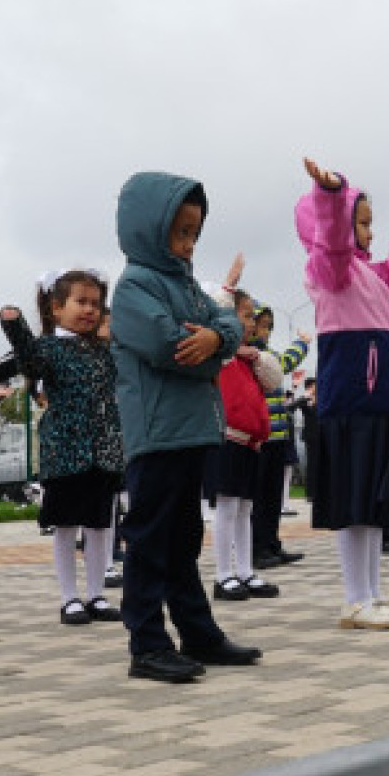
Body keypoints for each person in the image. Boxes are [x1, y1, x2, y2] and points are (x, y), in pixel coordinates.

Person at [111, 170, 259, 679]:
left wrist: (217, 341)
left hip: (192, 428)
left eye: (194, 233)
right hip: (156, 433)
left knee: (183, 540)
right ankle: (147, 643)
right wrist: (213, 349)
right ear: (148, 228)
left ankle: (197, 632)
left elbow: (230, 322)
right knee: (152, 540)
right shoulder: (133, 288)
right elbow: (168, 345)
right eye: (179, 231)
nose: (187, 243)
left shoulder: (187, 285)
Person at [295, 158, 389, 629]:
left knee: (372, 501)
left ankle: (372, 592)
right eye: (364, 223)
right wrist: (332, 196)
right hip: (351, 398)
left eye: (372, 223)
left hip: (378, 400)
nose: (370, 232)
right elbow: (331, 241)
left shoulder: (366, 273)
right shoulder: (330, 270)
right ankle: (355, 598)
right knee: (354, 501)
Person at [0, 268, 126, 627]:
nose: (89, 310)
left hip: (104, 450)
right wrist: (15, 326)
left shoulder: (106, 351)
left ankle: (97, 594)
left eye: (95, 304)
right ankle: (69, 597)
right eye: (80, 302)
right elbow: (29, 361)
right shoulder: (48, 348)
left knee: (101, 526)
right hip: (66, 452)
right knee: (66, 525)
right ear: (56, 308)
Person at [203, 281, 285, 601]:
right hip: (226, 437)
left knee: (244, 507)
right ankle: (224, 574)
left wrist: (257, 358)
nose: (252, 323)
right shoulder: (220, 355)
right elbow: (216, 309)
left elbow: (275, 379)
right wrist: (227, 289)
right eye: (246, 315)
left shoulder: (252, 358)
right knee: (226, 506)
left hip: (252, 441)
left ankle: (246, 570)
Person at [247, 298, 309, 570]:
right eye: (261, 325)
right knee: (260, 498)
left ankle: (271, 543)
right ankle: (258, 548)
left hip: (277, 435)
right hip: (261, 437)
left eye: (268, 327)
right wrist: (302, 344)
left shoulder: (264, 352)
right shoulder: (249, 355)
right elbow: (282, 364)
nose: (265, 331)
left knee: (272, 498)